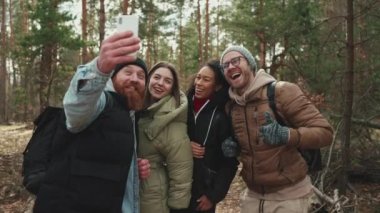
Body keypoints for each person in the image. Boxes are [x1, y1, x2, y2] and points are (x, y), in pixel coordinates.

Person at [33, 31, 151, 213]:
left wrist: (131, 168)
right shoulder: (102, 101)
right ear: (112, 77)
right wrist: (99, 69)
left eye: (141, 76)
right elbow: (76, 107)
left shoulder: (131, 114)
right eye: (128, 72)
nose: (134, 79)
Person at [220, 46, 334, 213]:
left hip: (291, 197)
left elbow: (325, 133)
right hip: (252, 197)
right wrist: (235, 147)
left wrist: (288, 135)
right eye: (225, 65)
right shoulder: (232, 106)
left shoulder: (282, 91)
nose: (230, 67)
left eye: (236, 60)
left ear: (251, 64)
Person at [182, 59, 239, 213]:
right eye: (198, 77)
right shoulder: (181, 106)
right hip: (175, 191)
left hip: (201, 197)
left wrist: (213, 195)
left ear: (218, 86)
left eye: (206, 80)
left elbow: (230, 162)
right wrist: (184, 146)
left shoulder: (222, 117)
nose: (198, 83)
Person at [138, 62, 193, 213]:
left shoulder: (171, 121)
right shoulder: (136, 108)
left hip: (153, 200)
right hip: (130, 194)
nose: (160, 83)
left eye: (167, 81)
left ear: (172, 88)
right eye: (157, 77)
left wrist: (177, 208)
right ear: (149, 79)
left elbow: (181, 173)